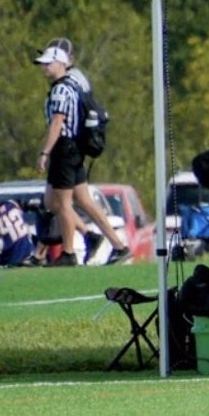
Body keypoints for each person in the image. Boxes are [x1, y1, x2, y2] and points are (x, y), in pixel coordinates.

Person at [34, 42, 131, 266]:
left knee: (63, 203)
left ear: (61, 63)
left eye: (48, 64)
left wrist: (45, 151)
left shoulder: (61, 89)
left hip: (65, 148)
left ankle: (68, 253)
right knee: (72, 201)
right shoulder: (76, 81)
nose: (44, 68)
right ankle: (115, 244)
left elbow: (58, 122)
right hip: (75, 148)